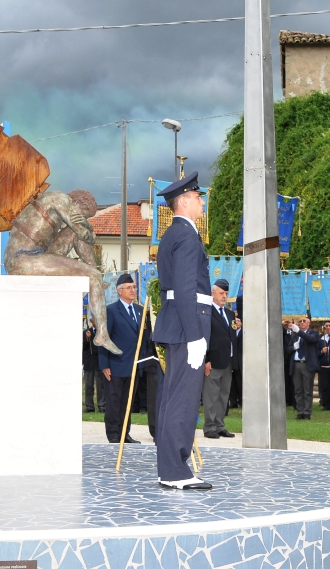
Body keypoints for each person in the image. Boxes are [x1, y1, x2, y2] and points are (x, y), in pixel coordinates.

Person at [4, 190, 121, 355]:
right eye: (83, 215)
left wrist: (86, 225)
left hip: (36, 255)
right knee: (93, 275)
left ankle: (92, 272)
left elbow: (81, 234)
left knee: (76, 241)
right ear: (76, 204)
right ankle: (102, 333)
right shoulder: (59, 198)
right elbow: (83, 233)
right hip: (23, 260)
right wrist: (85, 226)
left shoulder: (57, 207)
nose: (81, 218)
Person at [152, 172, 212, 490]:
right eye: (199, 198)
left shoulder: (171, 235)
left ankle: (170, 469)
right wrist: (195, 337)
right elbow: (187, 289)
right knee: (183, 400)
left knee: (172, 398)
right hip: (188, 323)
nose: (202, 203)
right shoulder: (187, 236)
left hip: (177, 321)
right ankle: (175, 471)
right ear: (185, 201)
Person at [99, 273, 150, 446]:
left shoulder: (140, 310)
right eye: (129, 288)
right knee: (114, 402)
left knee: (127, 402)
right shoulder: (111, 310)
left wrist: (141, 362)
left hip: (134, 365)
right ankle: (113, 434)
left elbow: (143, 338)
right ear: (119, 291)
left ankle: (124, 433)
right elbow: (103, 338)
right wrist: (104, 363)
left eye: (134, 287)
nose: (133, 290)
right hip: (115, 365)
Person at [202, 279, 238, 439]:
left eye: (226, 293)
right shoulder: (207, 312)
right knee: (211, 395)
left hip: (227, 360)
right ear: (213, 293)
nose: (224, 296)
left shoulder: (230, 314)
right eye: (221, 293)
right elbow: (205, 337)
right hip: (213, 360)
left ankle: (219, 425)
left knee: (224, 395)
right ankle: (209, 427)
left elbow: (231, 337)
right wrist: (206, 359)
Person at [287, 316, 321, 420]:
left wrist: (299, 332)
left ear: (308, 323)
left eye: (304, 321)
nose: (302, 323)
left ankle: (307, 412)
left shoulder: (313, 333)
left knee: (307, 390)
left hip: (307, 364)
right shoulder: (294, 336)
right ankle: (300, 411)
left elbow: (311, 340)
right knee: (298, 390)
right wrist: (293, 347)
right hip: (296, 364)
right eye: (300, 321)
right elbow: (288, 349)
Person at [83, 317, 103, 413]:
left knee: (100, 386)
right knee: (89, 386)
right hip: (89, 363)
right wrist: (87, 338)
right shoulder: (86, 332)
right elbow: (83, 346)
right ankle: (89, 406)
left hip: (99, 362)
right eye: (93, 320)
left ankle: (102, 406)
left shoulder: (102, 332)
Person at [317, 321, 330, 411]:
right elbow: (316, 352)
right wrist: (322, 352)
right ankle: (326, 404)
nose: (328, 328)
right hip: (324, 366)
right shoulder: (321, 339)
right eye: (326, 326)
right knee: (325, 386)